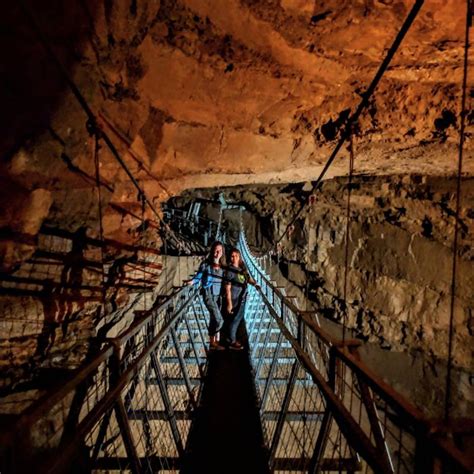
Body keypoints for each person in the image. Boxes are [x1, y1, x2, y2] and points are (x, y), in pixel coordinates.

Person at [188, 241, 226, 350]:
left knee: (213, 319)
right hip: (208, 294)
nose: (217, 253)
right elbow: (198, 276)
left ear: (222, 253)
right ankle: (214, 338)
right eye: (216, 250)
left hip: (218, 296)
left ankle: (213, 343)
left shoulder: (223, 267)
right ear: (212, 251)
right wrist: (192, 281)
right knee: (219, 320)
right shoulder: (206, 265)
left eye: (220, 251)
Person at [224, 247, 258, 350]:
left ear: (239, 257)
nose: (234, 258)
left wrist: (255, 284)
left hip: (242, 298)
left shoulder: (242, 269)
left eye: (236, 256)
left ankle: (231, 338)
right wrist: (229, 303)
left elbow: (248, 279)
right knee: (236, 319)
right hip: (234, 299)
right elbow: (227, 288)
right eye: (232, 256)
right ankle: (232, 341)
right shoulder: (230, 270)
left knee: (236, 318)